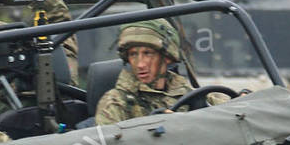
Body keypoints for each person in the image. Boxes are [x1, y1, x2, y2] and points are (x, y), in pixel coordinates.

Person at [94, 19, 225, 124]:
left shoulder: (187, 93)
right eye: (133, 54)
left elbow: (229, 110)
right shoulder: (116, 103)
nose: (140, 64)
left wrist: (242, 99)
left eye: (148, 53)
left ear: (167, 57)